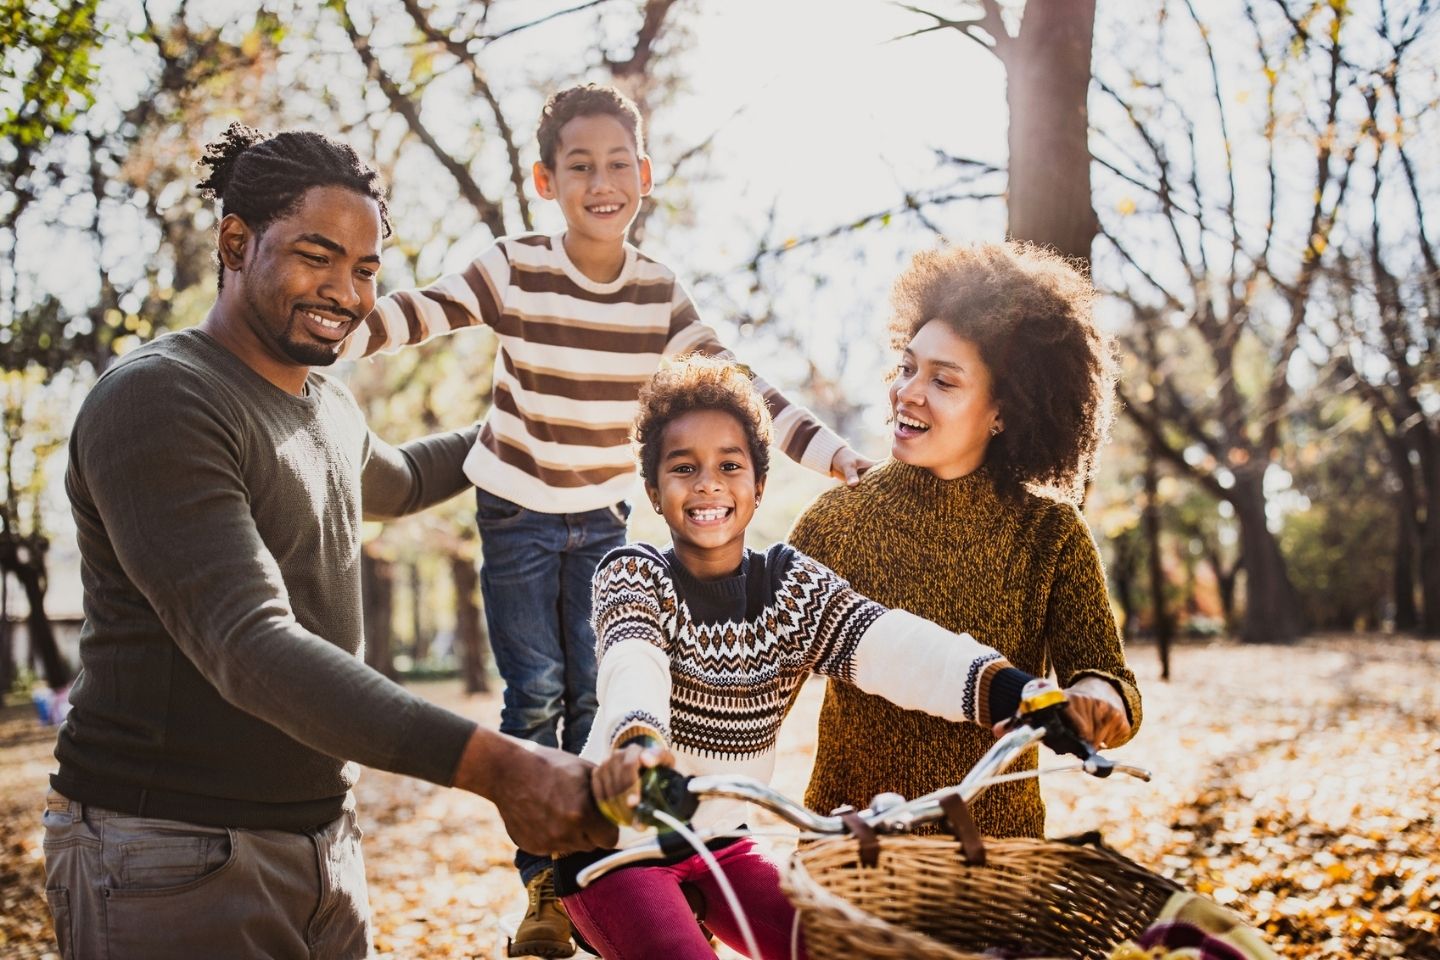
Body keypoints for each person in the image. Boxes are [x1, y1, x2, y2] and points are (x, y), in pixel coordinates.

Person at [42, 123, 615, 960]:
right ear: (235, 242)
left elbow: (405, 480)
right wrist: (499, 767)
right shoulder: (162, 400)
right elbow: (249, 642)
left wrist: (553, 415)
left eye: (367, 269)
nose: (346, 292)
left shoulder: (325, 404)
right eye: (318, 256)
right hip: (168, 850)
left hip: (321, 843)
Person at [341, 83, 874, 955]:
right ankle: (545, 887)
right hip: (515, 510)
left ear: (646, 176)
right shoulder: (514, 266)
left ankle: (607, 868)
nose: (601, 181)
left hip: (602, 518)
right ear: (547, 182)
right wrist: (321, 327)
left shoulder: (660, 293)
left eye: (618, 164)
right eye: (580, 165)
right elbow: (413, 315)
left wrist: (832, 453)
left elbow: (738, 389)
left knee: (602, 696)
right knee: (535, 692)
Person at [551, 355, 1131, 959]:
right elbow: (632, 665)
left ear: (758, 487)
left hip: (722, 841)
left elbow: (892, 645)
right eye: (683, 468)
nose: (707, 484)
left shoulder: (789, 587)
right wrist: (639, 742)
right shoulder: (632, 575)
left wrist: (1018, 694)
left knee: (845, 947)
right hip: (615, 847)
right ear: (653, 490)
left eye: (730, 465)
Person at [792, 241, 1142, 841]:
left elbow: (1108, 678)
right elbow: (751, 680)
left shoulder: (1050, 533)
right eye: (907, 367)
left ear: (1003, 411)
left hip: (995, 858)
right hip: (851, 853)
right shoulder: (836, 520)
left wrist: (1095, 697)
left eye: (943, 381)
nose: (908, 392)